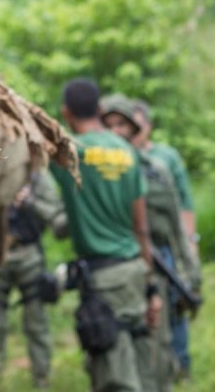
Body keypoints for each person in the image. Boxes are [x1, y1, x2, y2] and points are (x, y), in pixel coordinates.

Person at [50, 78, 162, 392]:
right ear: (100, 109)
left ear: (66, 112)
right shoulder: (127, 151)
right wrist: (151, 285)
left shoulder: (69, 153)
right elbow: (141, 228)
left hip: (101, 280)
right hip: (133, 272)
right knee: (140, 363)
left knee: (113, 376)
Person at [101, 94, 198, 391]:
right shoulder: (98, 171)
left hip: (155, 263)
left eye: (123, 124)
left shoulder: (157, 170)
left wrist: (191, 271)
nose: (117, 131)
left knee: (158, 344)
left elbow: (176, 227)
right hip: (114, 268)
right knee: (114, 351)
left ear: (135, 128)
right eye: (110, 124)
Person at [0, 170, 66, 390]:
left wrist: (29, 202)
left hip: (28, 254)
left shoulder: (38, 178)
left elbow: (58, 220)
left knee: (36, 323)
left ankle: (42, 381)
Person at [131, 100, 200, 380]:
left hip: (163, 245)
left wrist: (189, 243)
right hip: (136, 250)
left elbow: (183, 202)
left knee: (176, 303)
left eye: (138, 125)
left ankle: (180, 363)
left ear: (148, 126)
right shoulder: (123, 157)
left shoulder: (165, 157)